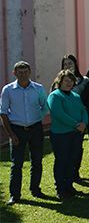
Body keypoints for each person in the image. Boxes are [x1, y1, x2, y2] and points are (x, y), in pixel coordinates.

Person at [1, 61, 48, 205]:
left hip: (35, 129)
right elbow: (3, 113)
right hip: (17, 130)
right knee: (17, 164)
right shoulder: (8, 90)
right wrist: (11, 134)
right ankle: (15, 195)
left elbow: (44, 106)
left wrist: (36, 119)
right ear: (14, 73)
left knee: (37, 160)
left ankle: (35, 189)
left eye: (25, 71)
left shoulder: (38, 88)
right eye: (20, 72)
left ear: (30, 72)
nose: (23, 74)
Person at [47, 70, 88, 200]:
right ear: (60, 82)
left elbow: (84, 110)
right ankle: (60, 188)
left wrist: (84, 123)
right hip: (61, 135)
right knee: (62, 161)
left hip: (76, 134)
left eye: (71, 81)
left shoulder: (75, 96)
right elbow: (58, 114)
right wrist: (76, 124)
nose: (69, 83)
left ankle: (69, 186)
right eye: (66, 80)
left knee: (72, 161)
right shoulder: (55, 96)